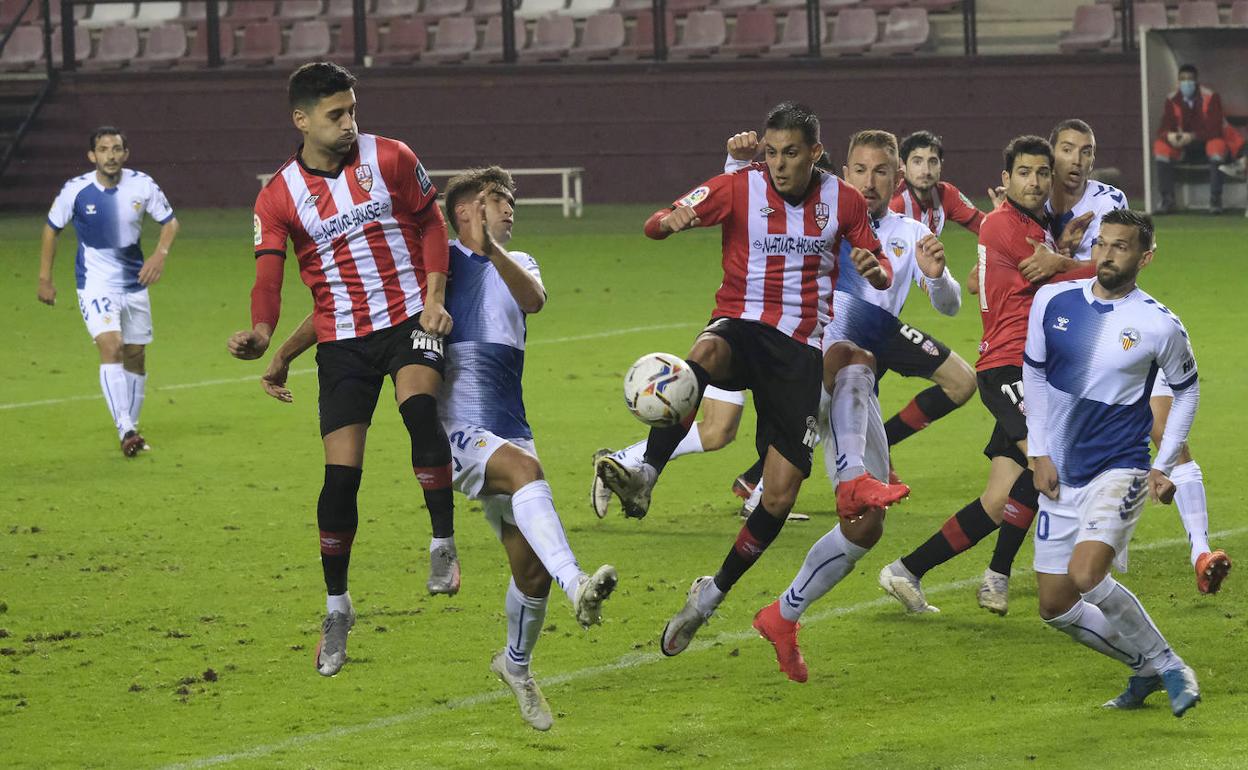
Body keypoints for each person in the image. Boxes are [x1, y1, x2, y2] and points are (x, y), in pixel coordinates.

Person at [261, 166, 618, 730]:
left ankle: (516, 665)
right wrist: (286, 350)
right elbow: (351, 307)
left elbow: (534, 299)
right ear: (467, 209)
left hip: (508, 425)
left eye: (510, 206)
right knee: (527, 474)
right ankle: (579, 585)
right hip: (453, 434)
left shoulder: (518, 261)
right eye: (500, 202)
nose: (509, 213)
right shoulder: (431, 263)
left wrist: (495, 248)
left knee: (529, 574)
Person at [595, 102, 908, 656]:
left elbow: (875, 258)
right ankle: (646, 473)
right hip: (741, 324)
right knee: (706, 353)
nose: (779, 164)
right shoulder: (739, 188)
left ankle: (709, 597)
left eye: (791, 154)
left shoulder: (845, 200)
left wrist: (875, 267)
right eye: (771, 153)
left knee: (780, 495)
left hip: (798, 353)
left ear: (815, 153)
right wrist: (670, 223)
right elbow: (653, 225)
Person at [226, 62, 457, 677]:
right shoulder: (277, 197)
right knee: (339, 481)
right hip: (344, 344)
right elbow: (269, 278)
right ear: (301, 120)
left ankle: (442, 543)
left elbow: (433, 222)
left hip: (410, 317)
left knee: (420, 411)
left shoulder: (392, 158)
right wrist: (263, 336)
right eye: (336, 115)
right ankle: (337, 607)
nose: (350, 123)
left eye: (353, 110)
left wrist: (435, 299)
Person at [749, 129, 961, 682]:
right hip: (805, 367)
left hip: (856, 386)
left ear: (897, 179)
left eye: (881, 172)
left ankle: (783, 614)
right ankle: (849, 476)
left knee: (868, 527)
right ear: (844, 171)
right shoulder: (821, 217)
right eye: (860, 170)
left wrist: (937, 277)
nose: (870, 182)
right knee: (853, 356)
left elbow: (951, 304)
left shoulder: (912, 232)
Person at [878, 135, 1095, 616]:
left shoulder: (1034, 224)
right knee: (1051, 470)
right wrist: (1096, 262)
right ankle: (1005, 575)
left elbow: (1020, 276)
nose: (1035, 181)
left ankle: (906, 570)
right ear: (1006, 179)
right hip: (1008, 367)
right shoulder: (1001, 223)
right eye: (1024, 172)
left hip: (1037, 368)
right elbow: (1053, 277)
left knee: (999, 500)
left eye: (1042, 173)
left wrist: (1061, 248)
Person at [1026, 209, 1200, 717]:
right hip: (1058, 468)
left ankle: (1169, 664)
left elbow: (1186, 394)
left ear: (1145, 257)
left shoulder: (1159, 325)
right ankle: (1145, 667)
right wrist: (1038, 452)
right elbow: (1033, 376)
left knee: (1086, 573)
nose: (1105, 254)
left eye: (1120, 246)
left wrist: (1163, 463)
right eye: (1101, 243)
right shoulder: (1052, 300)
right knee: (1054, 606)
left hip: (1119, 465)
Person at [38, 126, 179, 456]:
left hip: (135, 284)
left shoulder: (142, 185)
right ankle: (126, 428)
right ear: (93, 156)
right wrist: (45, 278)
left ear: (125, 154)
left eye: (116, 149)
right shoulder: (76, 190)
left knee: (136, 354)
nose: (111, 155)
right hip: (95, 283)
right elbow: (51, 229)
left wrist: (160, 254)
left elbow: (170, 222)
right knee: (111, 345)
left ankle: (130, 426)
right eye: (103, 149)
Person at [1153, 63, 1246, 215]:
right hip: (1184, 147)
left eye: (1190, 79)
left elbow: (1215, 129)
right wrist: (1170, 136)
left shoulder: (1210, 97)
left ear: (1196, 81)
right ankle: (1167, 199)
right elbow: (1164, 128)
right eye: (1183, 79)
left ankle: (1215, 199)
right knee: (1161, 147)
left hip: (1207, 143)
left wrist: (1193, 136)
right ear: (1178, 81)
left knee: (1216, 146)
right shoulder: (1172, 99)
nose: (1186, 83)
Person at [891, 130, 997, 236]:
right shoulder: (891, 202)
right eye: (917, 162)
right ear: (902, 165)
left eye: (932, 162)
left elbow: (986, 228)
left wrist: (1004, 216)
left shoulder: (946, 195)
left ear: (940, 165)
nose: (926, 171)